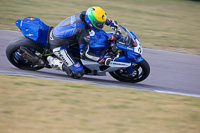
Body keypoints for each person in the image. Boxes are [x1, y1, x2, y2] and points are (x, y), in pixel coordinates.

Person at [47, 6, 118, 78]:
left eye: (102, 23)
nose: (101, 25)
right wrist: (101, 59)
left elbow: (96, 18)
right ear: (91, 22)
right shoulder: (83, 33)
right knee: (78, 73)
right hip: (58, 46)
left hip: (60, 33)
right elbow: (84, 55)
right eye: (99, 24)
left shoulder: (85, 15)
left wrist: (109, 22)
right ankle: (53, 61)